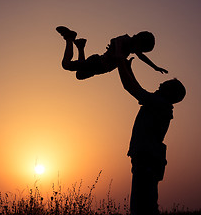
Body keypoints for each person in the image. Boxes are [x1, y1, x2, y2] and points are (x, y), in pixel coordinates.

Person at [114, 37, 186, 215]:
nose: (160, 83)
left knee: (142, 207)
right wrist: (127, 68)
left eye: (165, 84)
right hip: (147, 160)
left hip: (147, 161)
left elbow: (131, 88)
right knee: (145, 205)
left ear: (171, 93)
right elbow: (138, 88)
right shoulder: (159, 104)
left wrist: (119, 60)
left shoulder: (159, 104)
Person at [56, 26, 168, 80]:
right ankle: (69, 38)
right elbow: (115, 40)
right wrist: (118, 54)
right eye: (140, 49)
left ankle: (80, 46)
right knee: (66, 65)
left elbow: (142, 57)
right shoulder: (125, 39)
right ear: (137, 41)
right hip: (97, 62)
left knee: (79, 75)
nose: (137, 52)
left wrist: (155, 67)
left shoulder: (131, 48)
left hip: (100, 68)